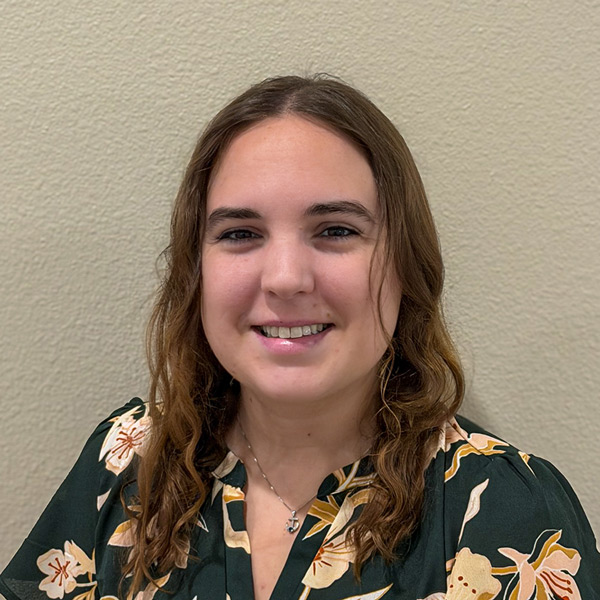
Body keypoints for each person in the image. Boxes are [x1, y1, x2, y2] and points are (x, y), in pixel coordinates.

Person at [1, 75, 598, 600]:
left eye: (335, 229)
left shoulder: (508, 511)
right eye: (239, 234)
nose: (285, 278)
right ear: (196, 272)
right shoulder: (127, 462)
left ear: (406, 265)